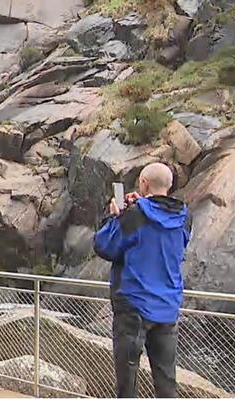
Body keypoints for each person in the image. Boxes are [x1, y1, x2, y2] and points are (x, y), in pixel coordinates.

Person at [94, 163, 191, 398]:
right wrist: (141, 206)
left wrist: (115, 217)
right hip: (167, 306)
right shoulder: (184, 216)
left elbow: (105, 246)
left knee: (127, 381)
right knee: (166, 381)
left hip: (133, 304)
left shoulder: (135, 215)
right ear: (169, 185)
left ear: (144, 184)